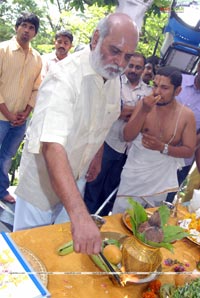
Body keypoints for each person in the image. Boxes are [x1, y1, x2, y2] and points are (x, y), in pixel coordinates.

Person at [13, 13, 139, 255]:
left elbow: (101, 120)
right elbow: (52, 146)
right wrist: (81, 216)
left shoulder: (113, 78)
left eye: (128, 56)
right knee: (26, 252)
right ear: (96, 38)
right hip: (41, 183)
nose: (120, 62)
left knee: (60, 252)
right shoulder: (64, 77)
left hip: (76, 178)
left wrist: (98, 154)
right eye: (115, 50)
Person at [112, 66, 196, 214]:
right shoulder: (144, 104)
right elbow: (127, 136)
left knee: (150, 220)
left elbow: (189, 150)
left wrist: (163, 147)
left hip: (160, 178)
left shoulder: (186, 116)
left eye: (164, 88)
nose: (157, 92)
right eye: (155, 86)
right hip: (135, 173)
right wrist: (143, 110)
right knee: (121, 213)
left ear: (177, 91)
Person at [84, 53, 152, 215]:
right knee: (94, 183)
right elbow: (111, 111)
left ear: (143, 69)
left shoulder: (149, 91)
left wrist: (129, 111)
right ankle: (85, 218)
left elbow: (147, 119)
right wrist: (140, 110)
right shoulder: (114, 84)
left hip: (130, 151)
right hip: (108, 142)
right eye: (131, 65)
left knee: (112, 190)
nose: (134, 70)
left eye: (138, 67)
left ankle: (101, 223)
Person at [0, 12, 42, 204]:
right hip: (1, 117)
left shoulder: (37, 58)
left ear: (35, 33)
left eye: (31, 28)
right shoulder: (3, 50)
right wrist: (8, 114)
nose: (27, 30)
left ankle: (1, 191)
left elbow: (37, 88)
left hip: (19, 121)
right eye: (24, 25)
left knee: (7, 157)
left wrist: (26, 112)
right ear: (17, 27)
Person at [166, 61, 200, 202]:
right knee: (137, 198)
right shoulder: (179, 80)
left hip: (182, 162)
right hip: (156, 153)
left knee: (162, 205)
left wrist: (188, 146)